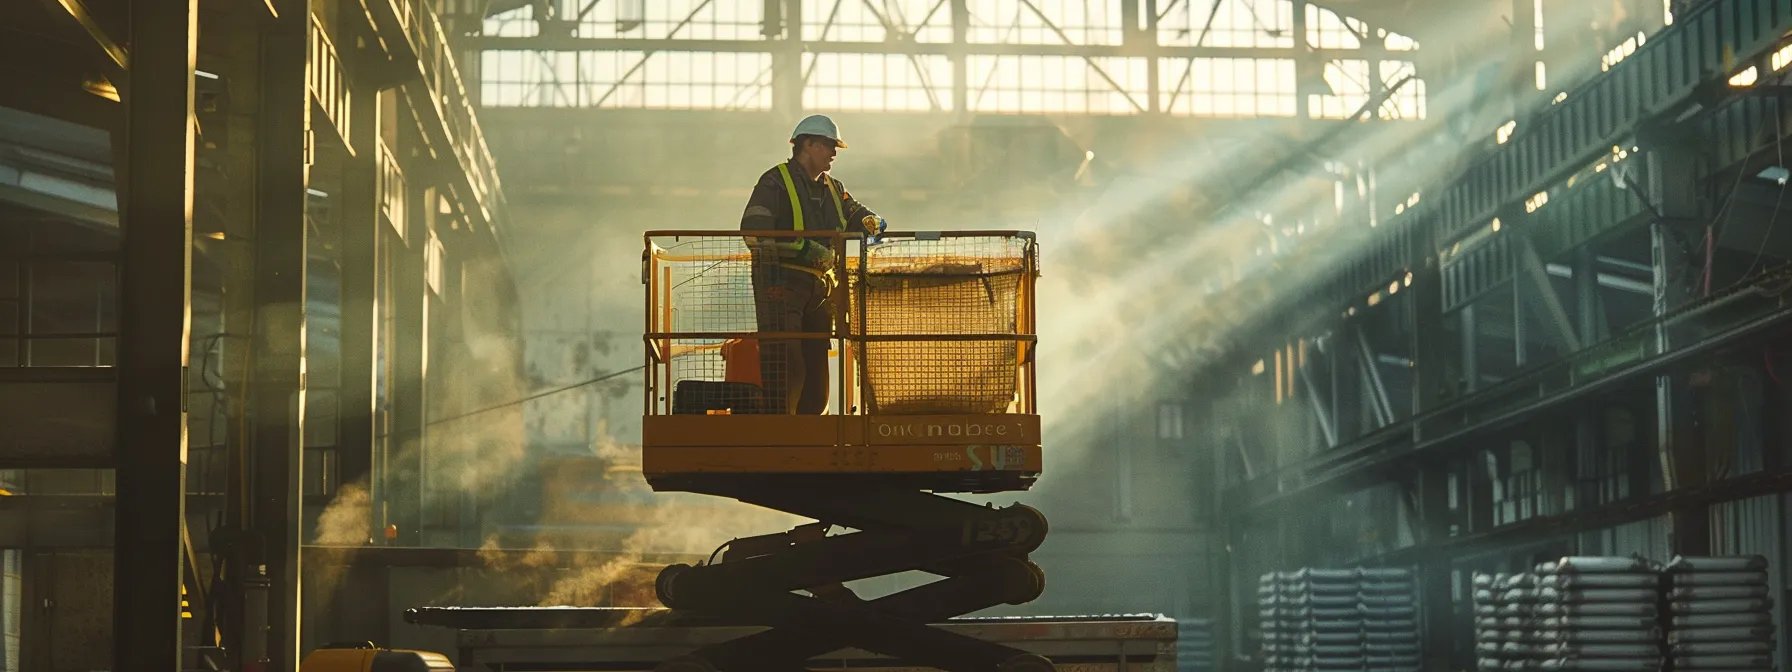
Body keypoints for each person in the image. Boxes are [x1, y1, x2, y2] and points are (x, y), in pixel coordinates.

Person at [739, 115, 884, 415]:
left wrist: (875, 223)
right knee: (787, 361)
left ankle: (812, 429)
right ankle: (783, 430)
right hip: (780, 285)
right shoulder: (774, 182)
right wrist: (806, 251)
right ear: (807, 144)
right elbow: (754, 233)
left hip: (819, 292)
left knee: (817, 366)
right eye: (829, 145)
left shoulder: (834, 188)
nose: (834, 152)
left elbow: (856, 214)